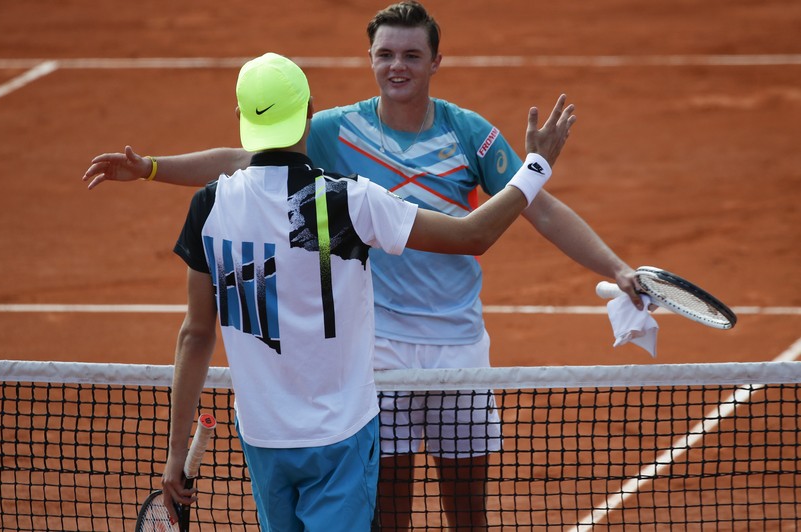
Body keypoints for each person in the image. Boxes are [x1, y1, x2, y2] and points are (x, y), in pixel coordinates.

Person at [83, 3, 636, 529]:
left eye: (411, 55)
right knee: (385, 518)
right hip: (379, 351)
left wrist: (617, 267)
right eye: (385, 54)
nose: (397, 65)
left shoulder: (469, 134)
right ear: (370, 59)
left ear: (435, 61)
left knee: (468, 517)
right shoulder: (332, 132)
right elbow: (244, 160)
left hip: (459, 345)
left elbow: (540, 208)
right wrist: (153, 167)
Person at [156, 51, 574, 531]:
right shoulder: (346, 199)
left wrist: (174, 454)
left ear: (240, 117)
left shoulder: (208, 205)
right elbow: (471, 235)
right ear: (310, 111)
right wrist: (536, 166)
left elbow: (194, 335)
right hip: (340, 438)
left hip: (263, 436)